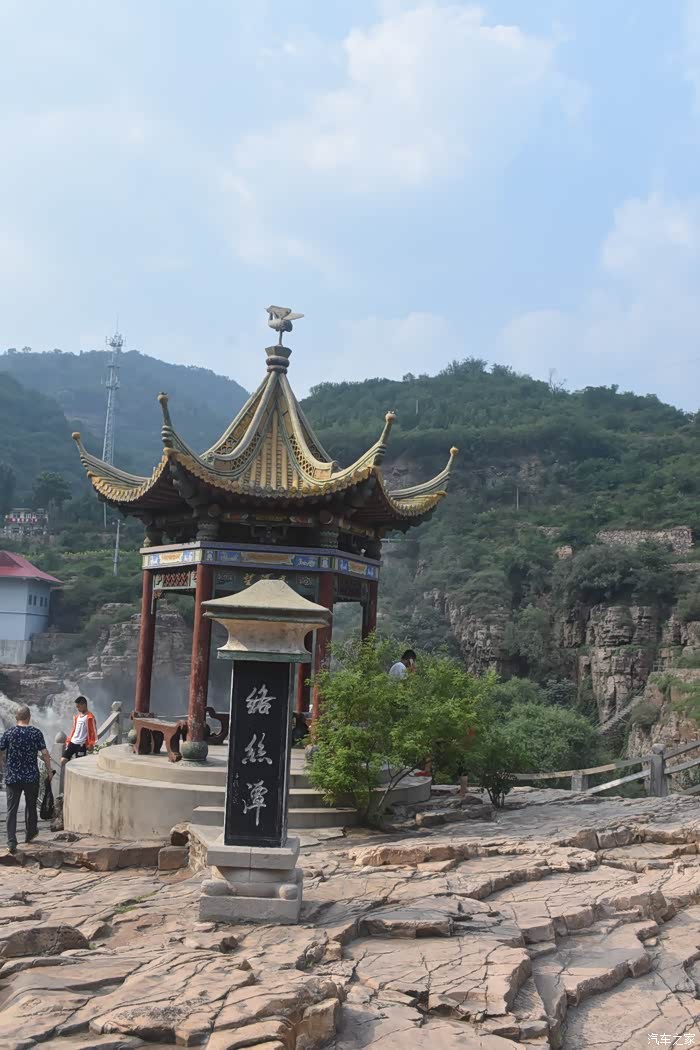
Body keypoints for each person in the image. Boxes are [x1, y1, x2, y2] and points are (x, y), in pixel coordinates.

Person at [0, 705, 54, 854]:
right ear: (29, 717)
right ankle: (30, 833)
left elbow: (0, 750)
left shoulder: (9, 733)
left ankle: (11, 841)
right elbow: (45, 753)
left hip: (13, 777)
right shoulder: (36, 733)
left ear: (16, 717)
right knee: (31, 806)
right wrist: (49, 771)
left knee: (11, 810)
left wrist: (2, 765)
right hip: (31, 776)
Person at [61, 696, 97, 765]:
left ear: (84, 705)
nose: (78, 709)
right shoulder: (77, 717)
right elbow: (74, 730)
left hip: (81, 745)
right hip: (72, 742)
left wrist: (91, 744)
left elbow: (93, 731)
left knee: (79, 764)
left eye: (78, 707)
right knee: (63, 760)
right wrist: (68, 740)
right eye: (77, 707)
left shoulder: (90, 717)